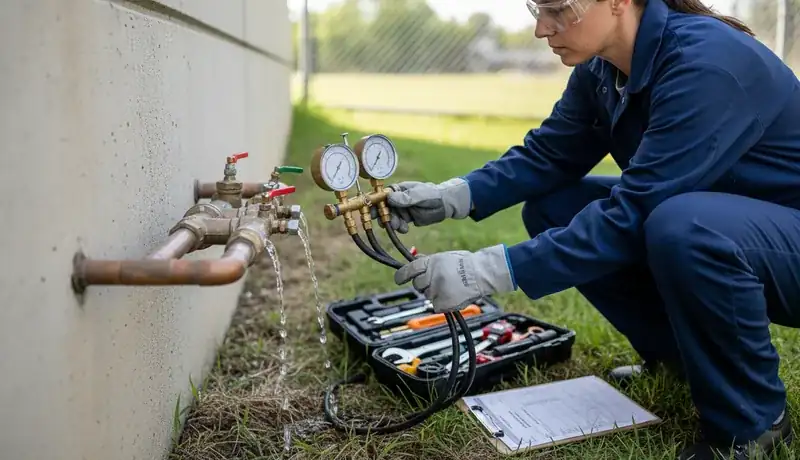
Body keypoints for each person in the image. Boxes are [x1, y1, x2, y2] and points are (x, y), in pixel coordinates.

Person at [379, 0, 800, 458]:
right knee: (554, 206)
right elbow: (552, 154)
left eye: (559, 9)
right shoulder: (604, 65)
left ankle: (753, 422)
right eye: (536, 9)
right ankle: (679, 358)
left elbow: (635, 211)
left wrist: (484, 272)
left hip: (787, 240)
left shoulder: (708, 63)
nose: (542, 28)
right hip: (739, 228)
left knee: (682, 225)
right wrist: (451, 196)